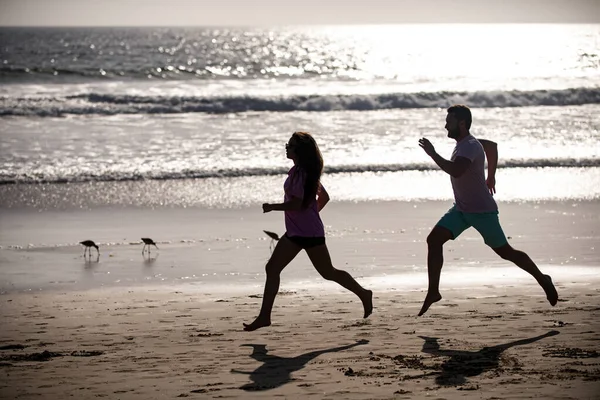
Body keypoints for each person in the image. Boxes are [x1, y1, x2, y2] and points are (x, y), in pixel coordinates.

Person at [417, 105, 558, 316]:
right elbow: (491, 146)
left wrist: (432, 153)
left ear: (462, 123)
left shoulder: (469, 146)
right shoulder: (468, 143)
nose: (445, 124)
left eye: (450, 121)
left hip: (482, 211)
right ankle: (433, 291)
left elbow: (456, 171)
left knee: (506, 252)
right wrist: (491, 175)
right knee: (434, 240)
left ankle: (542, 278)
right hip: (462, 209)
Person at [243, 131, 373, 331]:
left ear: (300, 150)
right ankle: (264, 317)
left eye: (291, 144)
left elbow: (298, 204)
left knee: (328, 272)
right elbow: (323, 198)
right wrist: (310, 214)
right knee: (272, 268)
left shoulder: (303, 174)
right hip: (296, 233)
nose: (287, 146)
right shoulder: (297, 171)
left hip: (310, 234)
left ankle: (364, 294)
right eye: (288, 143)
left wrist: (273, 207)